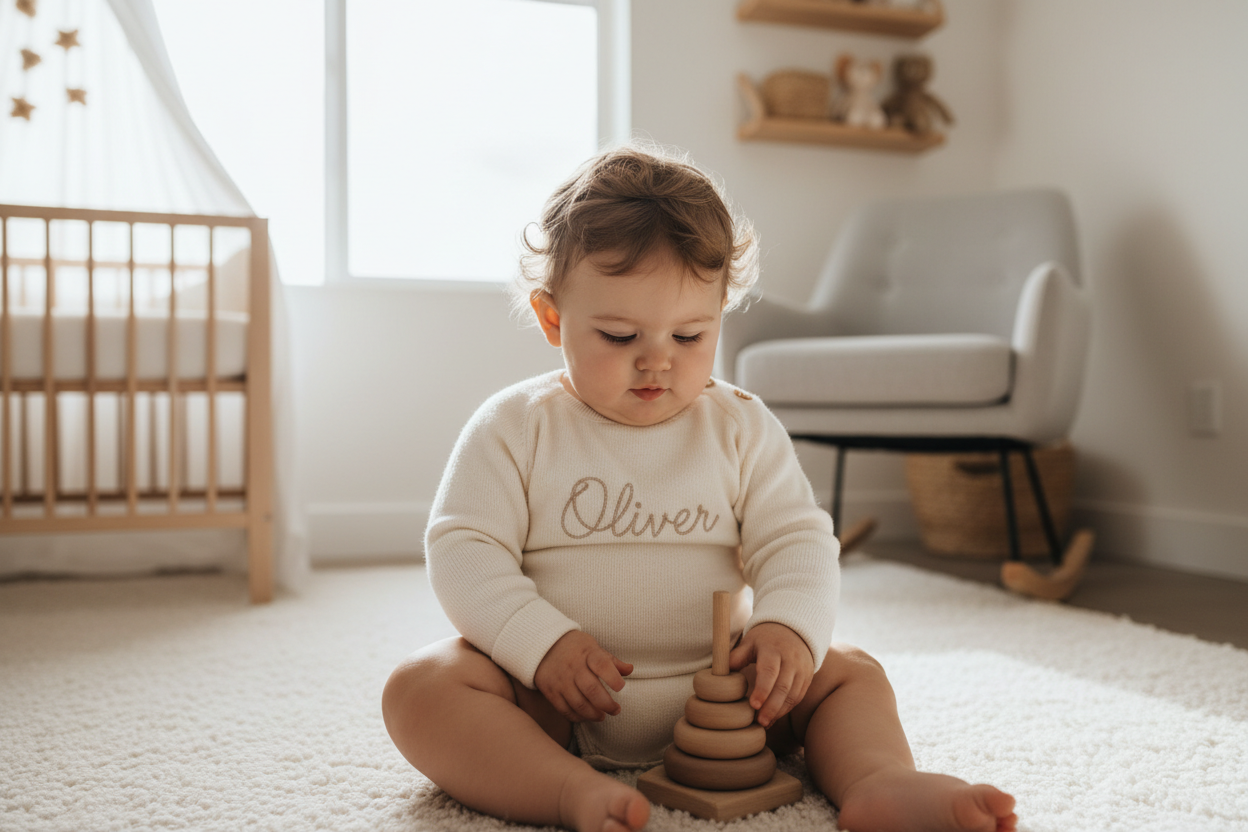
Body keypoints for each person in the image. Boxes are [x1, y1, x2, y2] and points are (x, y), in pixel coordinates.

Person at [382, 143, 1018, 832]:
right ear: (553, 318)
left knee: (850, 672)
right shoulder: (516, 427)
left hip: (729, 697)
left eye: (690, 334)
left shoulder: (739, 425)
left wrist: (786, 632)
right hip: (557, 703)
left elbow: (795, 538)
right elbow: (463, 548)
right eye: (620, 334)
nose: (658, 359)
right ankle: (564, 790)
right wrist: (540, 646)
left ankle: (878, 781)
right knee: (421, 688)